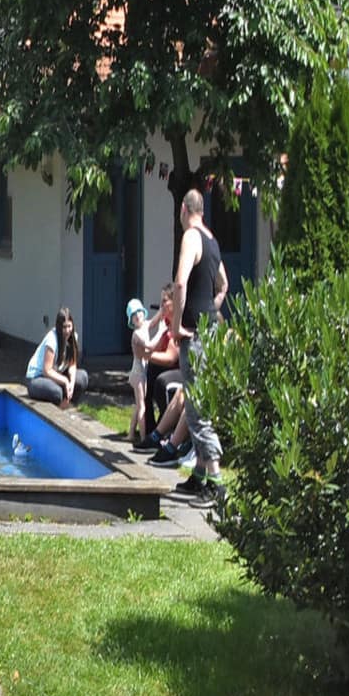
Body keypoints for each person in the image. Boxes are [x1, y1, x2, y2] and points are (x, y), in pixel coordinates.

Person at [155, 188, 228, 507]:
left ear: (184, 209)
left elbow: (181, 282)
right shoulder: (211, 240)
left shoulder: (191, 238)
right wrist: (210, 310)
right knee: (202, 400)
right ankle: (199, 476)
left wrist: (177, 325)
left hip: (194, 335)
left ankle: (216, 481)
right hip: (210, 330)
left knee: (198, 408)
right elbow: (222, 284)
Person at [126, 293, 177, 445]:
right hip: (138, 374)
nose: (138, 316)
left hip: (142, 371)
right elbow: (149, 347)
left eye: (140, 312)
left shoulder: (145, 325)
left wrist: (162, 310)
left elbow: (154, 321)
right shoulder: (136, 334)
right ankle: (143, 437)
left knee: (138, 404)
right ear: (131, 320)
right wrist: (161, 331)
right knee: (141, 405)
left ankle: (130, 434)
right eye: (134, 315)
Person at [25, 306, 86, 407]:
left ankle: (68, 404)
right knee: (56, 393)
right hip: (36, 378)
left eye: (69, 326)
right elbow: (47, 370)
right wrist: (65, 381)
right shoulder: (52, 339)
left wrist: (71, 383)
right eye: (64, 327)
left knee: (82, 377)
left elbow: (72, 365)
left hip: (55, 375)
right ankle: (58, 410)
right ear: (58, 327)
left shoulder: (73, 337)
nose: (67, 331)